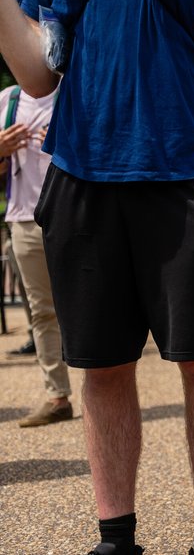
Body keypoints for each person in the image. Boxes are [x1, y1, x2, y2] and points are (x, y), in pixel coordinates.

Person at [0, 0, 194, 552]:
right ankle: (116, 536)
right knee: (102, 366)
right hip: (81, 178)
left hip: (183, 176)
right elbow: (39, 77)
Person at [0, 83, 73, 428]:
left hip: (74, 215)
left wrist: (64, 141)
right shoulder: (7, 100)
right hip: (24, 220)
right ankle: (57, 396)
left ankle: (105, 387)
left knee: (94, 307)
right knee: (42, 312)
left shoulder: (72, 88)